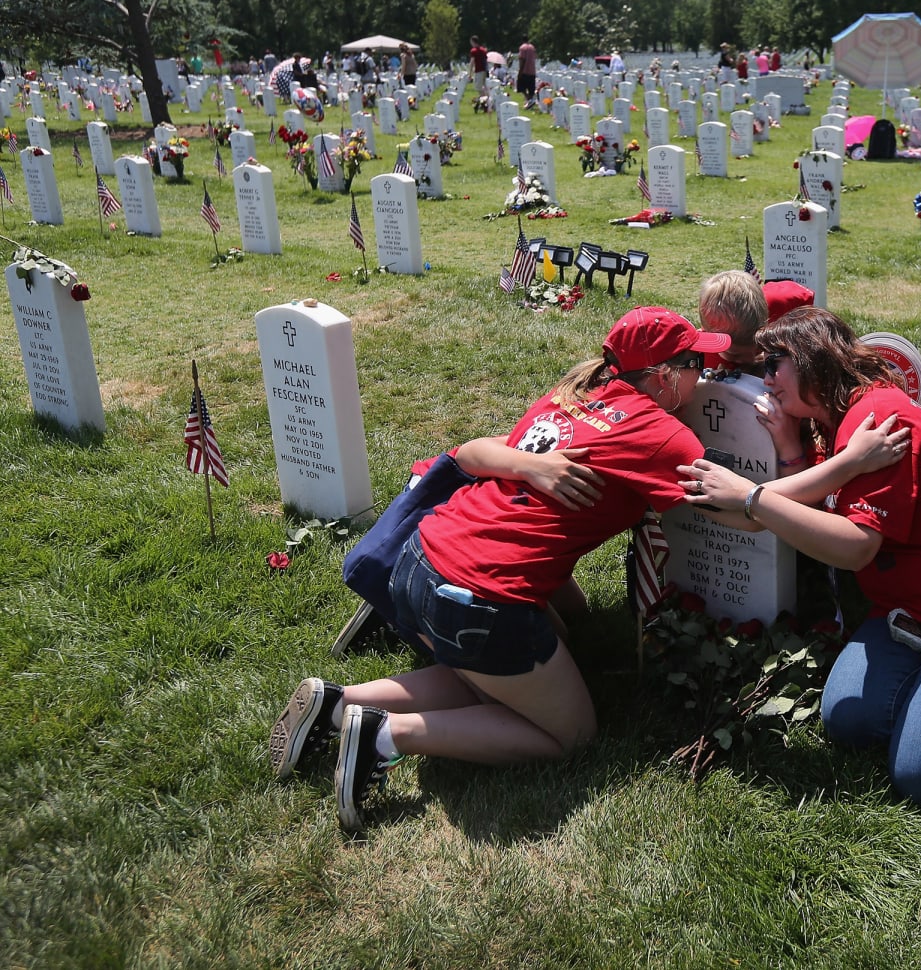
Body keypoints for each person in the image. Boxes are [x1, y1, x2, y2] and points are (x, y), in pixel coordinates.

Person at [270, 308, 733, 832]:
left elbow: (504, 484)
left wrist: (574, 616)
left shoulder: (571, 396)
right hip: (478, 598)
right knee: (570, 735)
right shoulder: (661, 434)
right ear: (664, 377)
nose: (708, 373)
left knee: (497, 684)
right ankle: (387, 736)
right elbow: (730, 503)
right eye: (698, 362)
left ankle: (339, 704)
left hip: (420, 559)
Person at [680, 308, 921, 809]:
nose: (765, 376)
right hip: (908, 614)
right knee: (848, 721)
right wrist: (781, 450)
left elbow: (856, 546)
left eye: (775, 362)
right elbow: (804, 507)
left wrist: (751, 497)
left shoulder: (880, 419)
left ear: (815, 357)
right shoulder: (833, 424)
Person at [516, 36, 538, 105]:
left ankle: (527, 98)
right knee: (531, 88)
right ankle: (530, 100)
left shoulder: (522, 48)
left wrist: (520, 71)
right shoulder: (532, 47)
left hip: (525, 71)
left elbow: (522, 59)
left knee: (521, 87)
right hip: (532, 71)